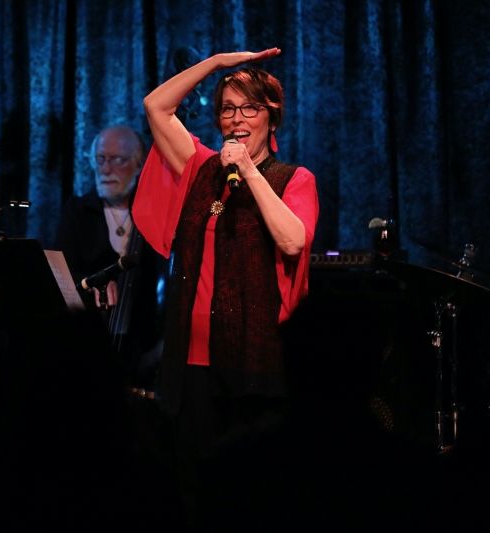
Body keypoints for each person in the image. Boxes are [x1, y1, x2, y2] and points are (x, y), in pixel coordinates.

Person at [133, 48, 319, 527]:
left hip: (253, 361)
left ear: (271, 117)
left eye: (250, 108)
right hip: (191, 361)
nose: (237, 118)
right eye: (228, 108)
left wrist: (250, 172)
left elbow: (293, 240)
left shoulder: (293, 178)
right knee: (192, 488)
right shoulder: (199, 166)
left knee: (251, 495)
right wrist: (216, 63)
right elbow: (156, 105)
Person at [55, 124, 166, 392]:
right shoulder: (77, 212)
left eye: (118, 160)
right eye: (101, 159)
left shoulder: (157, 214)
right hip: (86, 345)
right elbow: (62, 274)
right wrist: (93, 283)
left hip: (146, 349)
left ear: (139, 165)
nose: (106, 169)